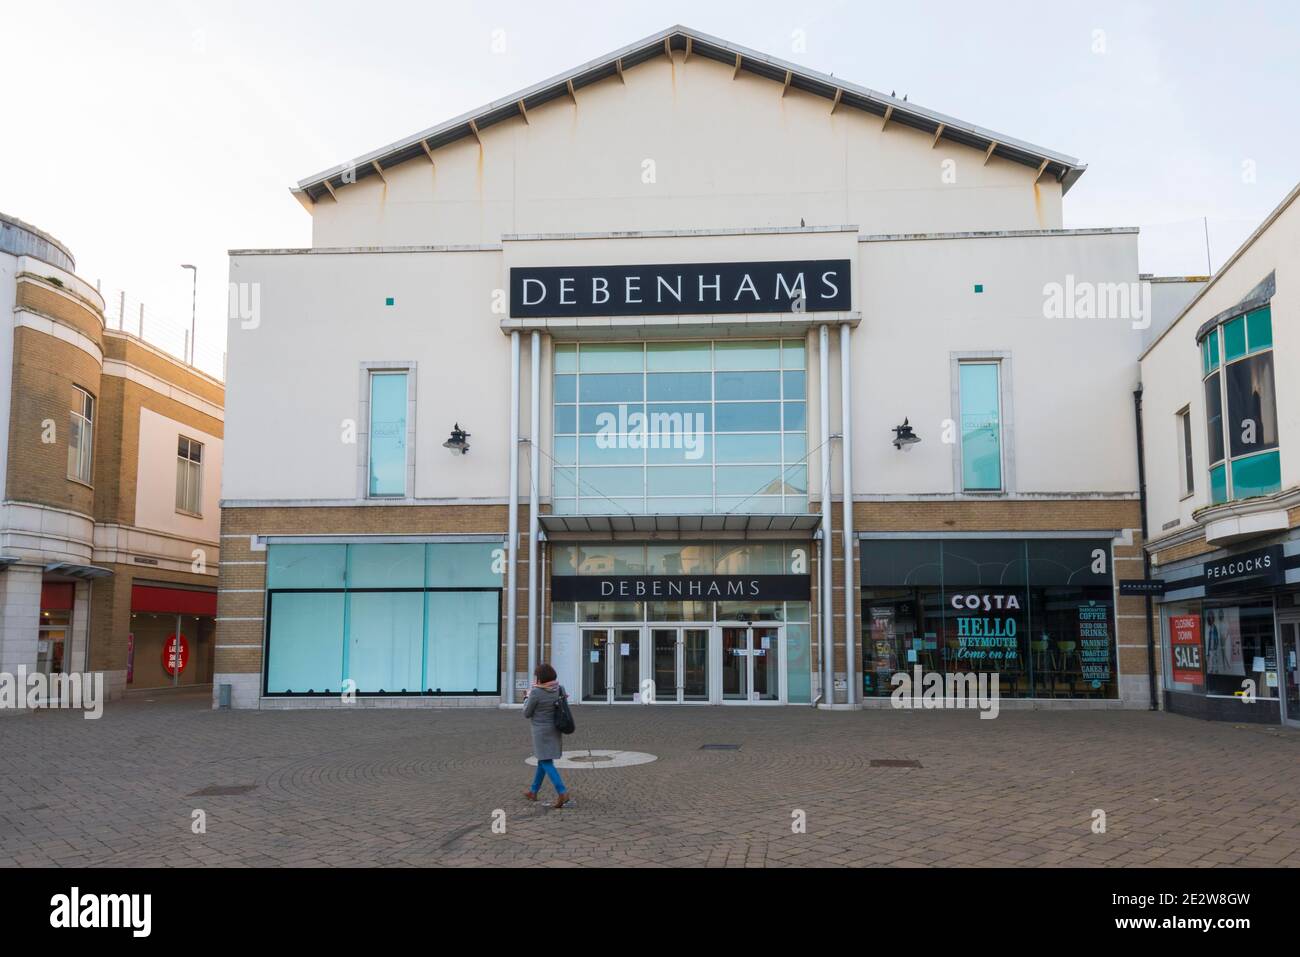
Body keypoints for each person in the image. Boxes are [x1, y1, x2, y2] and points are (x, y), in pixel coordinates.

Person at [523, 663, 570, 808]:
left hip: (540, 731)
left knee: (545, 761)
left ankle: (562, 791)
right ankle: (533, 790)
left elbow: (526, 713)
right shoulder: (559, 689)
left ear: (540, 678)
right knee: (543, 759)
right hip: (555, 728)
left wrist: (526, 698)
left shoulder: (536, 692)